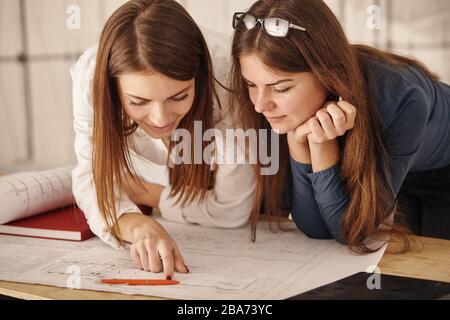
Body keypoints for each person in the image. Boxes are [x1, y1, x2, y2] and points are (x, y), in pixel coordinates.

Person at [229, 0, 450, 253]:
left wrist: (322, 146)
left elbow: (350, 233)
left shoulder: (400, 98)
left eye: (281, 88)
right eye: (251, 84)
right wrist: (298, 143)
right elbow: (314, 228)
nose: (260, 105)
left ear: (327, 72)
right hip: (401, 175)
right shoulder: (281, 110)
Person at [71, 0, 256, 279]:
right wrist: (136, 225)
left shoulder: (228, 76)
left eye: (179, 96)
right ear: (113, 88)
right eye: (138, 101)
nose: (160, 119)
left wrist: (155, 196)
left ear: (200, 79)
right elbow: (90, 177)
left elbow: (232, 209)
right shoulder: (90, 77)